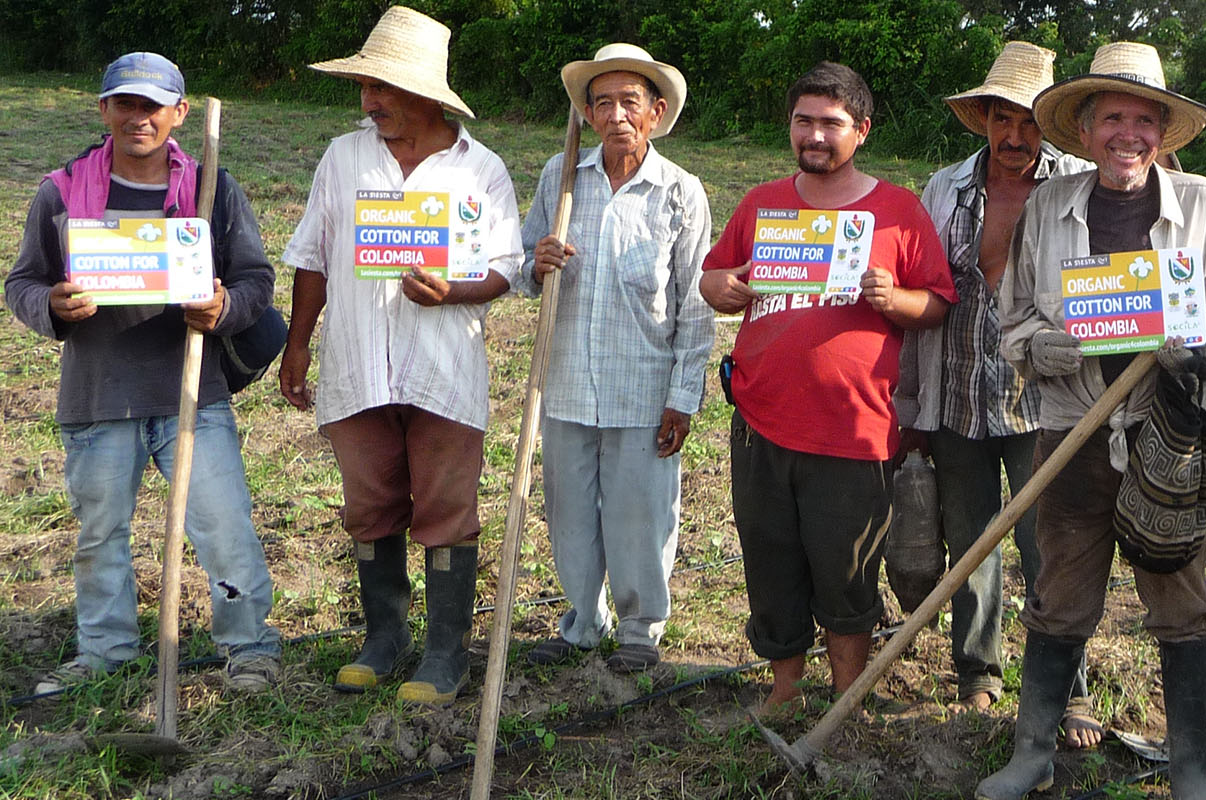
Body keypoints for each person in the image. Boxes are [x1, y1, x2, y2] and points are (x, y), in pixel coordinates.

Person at [978, 42, 1206, 800]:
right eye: (1114, 118)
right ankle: (1032, 753)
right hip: (1072, 430)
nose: (1129, 134)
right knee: (1059, 592)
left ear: (1163, 132)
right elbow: (1011, 319)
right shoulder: (1047, 207)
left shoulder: (1203, 204)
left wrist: (1205, 346)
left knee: (1180, 596)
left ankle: (1193, 768)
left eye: (1145, 119)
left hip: (1164, 432)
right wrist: (1046, 345)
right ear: (1086, 129)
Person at [5, 51, 282, 695]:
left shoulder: (210, 189)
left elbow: (255, 280)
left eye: (152, 106)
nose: (139, 118)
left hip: (192, 391)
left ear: (179, 113)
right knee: (101, 534)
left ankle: (249, 648)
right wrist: (51, 304)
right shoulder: (60, 192)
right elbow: (21, 282)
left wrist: (224, 308)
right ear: (103, 110)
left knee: (224, 526)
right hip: (98, 397)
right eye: (125, 104)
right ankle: (104, 652)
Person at [277, 6, 521, 706]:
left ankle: (446, 652)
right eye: (365, 87)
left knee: (447, 507)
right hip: (357, 362)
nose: (369, 101)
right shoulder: (344, 157)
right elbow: (313, 257)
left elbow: (504, 268)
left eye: (382, 88)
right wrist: (298, 345)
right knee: (369, 504)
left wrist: (452, 294)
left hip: (443, 368)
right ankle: (384, 638)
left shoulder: (482, 169)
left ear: (429, 94)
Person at [700, 62, 955, 712]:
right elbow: (715, 278)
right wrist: (723, 288)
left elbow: (938, 303)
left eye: (831, 123)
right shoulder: (761, 203)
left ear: (861, 130)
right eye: (803, 121)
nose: (815, 134)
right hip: (761, 420)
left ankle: (846, 699)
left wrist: (893, 298)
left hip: (854, 427)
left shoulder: (897, 210)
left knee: (846, 570)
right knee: (771, 561)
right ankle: (784, 690)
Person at [897, 41, 1104, 745]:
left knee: (1052, 546)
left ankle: (1067, 688)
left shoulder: (1078, 184)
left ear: (1049, 124)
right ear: (982, 118)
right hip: (957, 394)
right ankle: (978, 675)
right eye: (1000, 118)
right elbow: (925, 293)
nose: (1014, 136)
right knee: (972, 544)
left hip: (1045, 399)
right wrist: (910, 406)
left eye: (1028, 120)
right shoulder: (945, 188)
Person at [515, 44, 713, 674]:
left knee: (640, 513)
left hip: (643, 386)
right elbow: (521, 266)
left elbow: (696, 304)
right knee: (570, 511)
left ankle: (638, 626)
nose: (617, 114)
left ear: (656, 113)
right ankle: (582, 619)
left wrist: (684, 397)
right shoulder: (561, 176)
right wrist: (535, 264)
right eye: (604, 102)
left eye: (631, 101)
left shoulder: (680, 193)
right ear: (588, 113)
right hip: (568, 379)